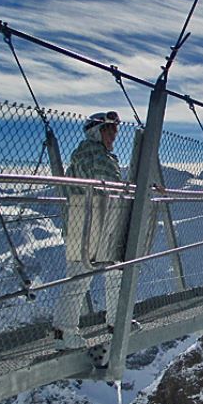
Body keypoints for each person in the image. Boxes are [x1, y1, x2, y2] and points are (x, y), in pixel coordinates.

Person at [54, 111, 126, 350]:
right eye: (109, 130)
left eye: (115, 130)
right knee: (80, 277)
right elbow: (109, 186)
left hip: (96, 218)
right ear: (96, 131)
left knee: (113, 270)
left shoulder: (98, 154)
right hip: (85, 220)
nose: (113, 135)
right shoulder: (91, 154)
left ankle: (115, 321)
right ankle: (64, 331)